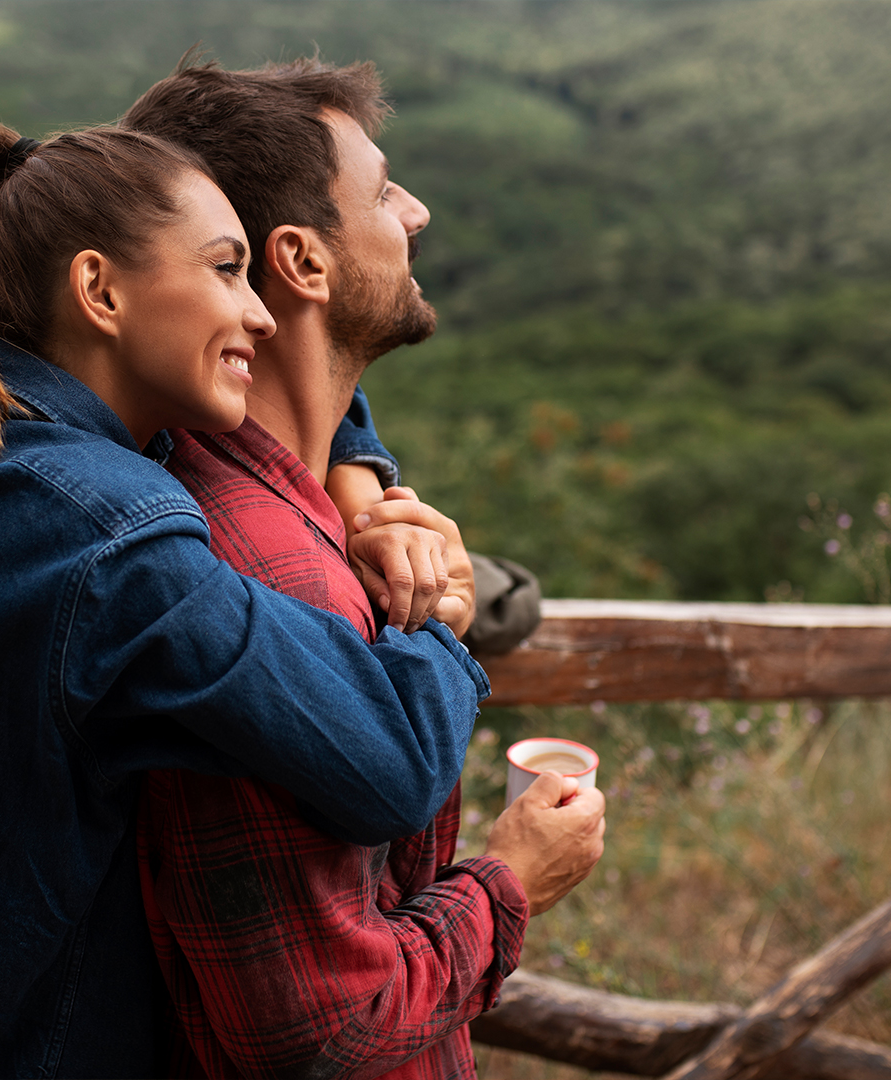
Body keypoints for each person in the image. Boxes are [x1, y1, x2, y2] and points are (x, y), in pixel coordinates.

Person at [0, 122, 496, 1079]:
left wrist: (357, 473)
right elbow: (392, 756)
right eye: (226, 271)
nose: (258, 315)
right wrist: (442, 617)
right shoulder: (119, 551)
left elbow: (311, 382)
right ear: (98, 291)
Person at [122, 57, 606, 1078]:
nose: (416, 211)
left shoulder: (297, 506)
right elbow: (317, 1033)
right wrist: (514, 878)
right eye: (383, 192)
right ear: (301, 262)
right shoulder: (263, 582)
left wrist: (357, 481)